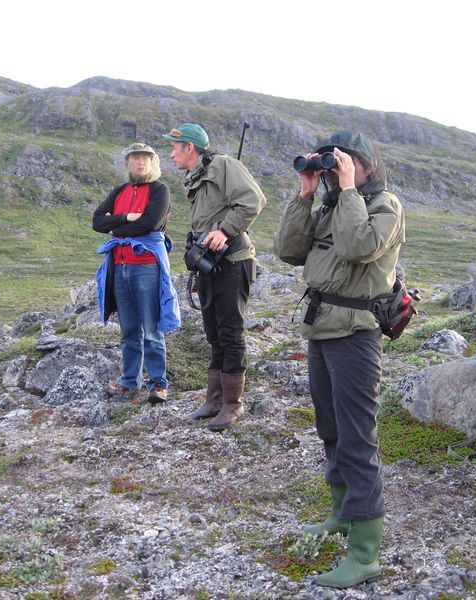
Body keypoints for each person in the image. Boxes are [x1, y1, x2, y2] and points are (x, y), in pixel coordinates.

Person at [273, 130, 405, 588]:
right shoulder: (330, 203)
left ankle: (366, 552)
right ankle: (341, 516)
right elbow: (289, 251)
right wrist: (305, 196)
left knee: (357, 438)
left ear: (365, 163)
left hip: (355, 334)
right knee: (330, 428)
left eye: (343, 162)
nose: (334, 169)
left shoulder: (384, 205)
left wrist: (347, 189)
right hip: (321, 328)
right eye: (331, 163)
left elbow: (358, 248)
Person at [163, 123, 267, 431]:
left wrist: (224, 230)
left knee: (230, 332)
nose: (171, 153)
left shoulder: (222, 165)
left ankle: (233, 405)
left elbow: (253, 199)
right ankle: (214, 399)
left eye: (174, 147)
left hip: (233, 261)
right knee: (213, 333)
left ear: (190, 148)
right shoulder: (196, 175)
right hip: (210, 263)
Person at [93, 142, 180, 404]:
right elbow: (97, 221)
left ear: (153, 163)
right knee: (129, 329)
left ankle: (158, 383)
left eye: (145, 158)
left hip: (146, 267)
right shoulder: (119, 191)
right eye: (135, 158)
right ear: (127, 163)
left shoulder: (159, 190)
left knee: (151, 329)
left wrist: (117, 226)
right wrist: (128, 217)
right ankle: (129, 382)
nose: (140, 162)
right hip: (119, 268)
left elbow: (151, 223)